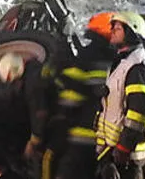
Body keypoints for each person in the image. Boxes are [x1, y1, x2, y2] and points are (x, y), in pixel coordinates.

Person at [42, 10, 117, 179]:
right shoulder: (117, 59)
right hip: (107, 142)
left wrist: (59, 123)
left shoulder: (88, 56)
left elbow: (71, 98)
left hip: (81, 138)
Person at [95, 10, 145, 179]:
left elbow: (137, 113)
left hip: (127, 156)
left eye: (118, 28)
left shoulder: (137, 67)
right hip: (114, 151)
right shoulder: (122, 62)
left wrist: (123, 148)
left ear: (132, 33)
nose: (112, 30)